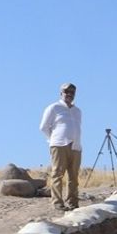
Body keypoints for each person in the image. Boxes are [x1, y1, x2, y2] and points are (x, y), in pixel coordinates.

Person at [39, 82, 82, 211]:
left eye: (72, 92)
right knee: (57, 174)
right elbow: (43, 127)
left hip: (76, 146)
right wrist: (53, 139)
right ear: (61, 93)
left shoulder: (78, 111)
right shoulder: (54, 108)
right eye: (66, 91)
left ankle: (73, 203)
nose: (69, 94)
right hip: (59, 145)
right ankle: (57, 203)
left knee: (74, 176)